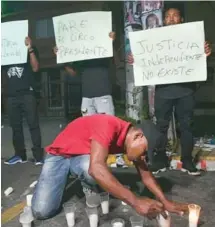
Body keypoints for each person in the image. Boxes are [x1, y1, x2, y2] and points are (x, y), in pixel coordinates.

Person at [32, 114, 188, 220]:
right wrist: (136, 201)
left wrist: (165, 201)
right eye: (144, 153)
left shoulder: (133, 143)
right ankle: (58, 179)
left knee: (89, 166)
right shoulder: (108, 125)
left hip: (82, 157)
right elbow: (96, 168)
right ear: (137, 136)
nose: (142, 158)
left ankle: (83, 181)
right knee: (42, 211)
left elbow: (146, 174)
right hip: (59, 156)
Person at [127, 7, 212, 175]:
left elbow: (199, 56)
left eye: (175, 16)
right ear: (163, 21)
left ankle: (187, 162)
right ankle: (160, 161)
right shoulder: (154, 40)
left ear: (181, 19)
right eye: (167, 16)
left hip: (185, 90)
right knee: (161, 127)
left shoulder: (192, 37)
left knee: (187, 127)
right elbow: (144, 56)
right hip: (163, 91)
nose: (171, 18)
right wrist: (135, 59)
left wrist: (204, 53)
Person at [53, 32, 127, 168]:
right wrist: (62, 58)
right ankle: (93, 156)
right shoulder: (82, 56)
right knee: (89, 129)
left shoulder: (103, 50)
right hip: (86, 97)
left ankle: (118, 157)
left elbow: (117, 63)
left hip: (103, 94)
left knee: (110, 127)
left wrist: (112, 42)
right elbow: (74, 74)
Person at [3, 37, 44, 165]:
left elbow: (36, 68)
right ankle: (20, 155)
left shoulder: (29, 49)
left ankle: (38, 156)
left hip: (27, 93)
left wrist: (30, 48)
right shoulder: (5, 50)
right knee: (15, 127)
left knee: (33, 124)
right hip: (10, 95)